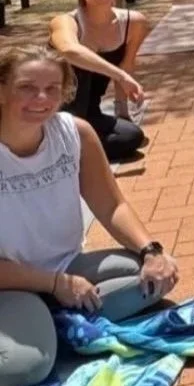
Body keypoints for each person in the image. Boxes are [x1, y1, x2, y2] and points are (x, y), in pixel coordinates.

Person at [0, 45, 180, 386]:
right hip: (9, 282)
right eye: (27, 87)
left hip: (65, 265)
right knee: (25, 367)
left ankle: (49, 320)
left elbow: (112, 206)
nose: (41, 98)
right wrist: (55, 284)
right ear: (2, 89)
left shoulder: (75, 133)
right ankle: (42, 325)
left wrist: (151, 251)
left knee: (156, 277)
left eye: (52, 88)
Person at [48, 0, 148, 162]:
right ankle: (59, 146)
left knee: (131, 136)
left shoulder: (133, 22)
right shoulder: (65, 21)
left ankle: (69, 151)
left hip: (89, 113)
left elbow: (126, 67)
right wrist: (118, 75)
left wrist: (123, 111)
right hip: (54, 113)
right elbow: (69, 50)